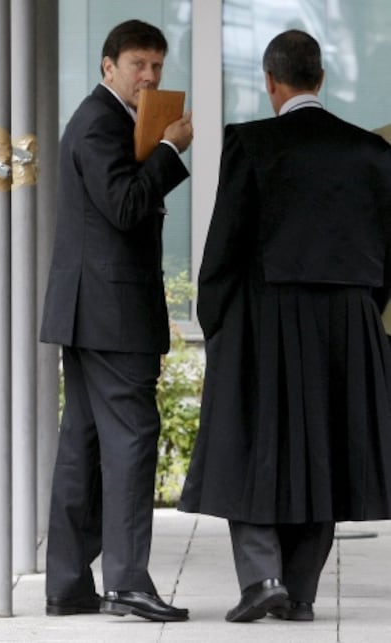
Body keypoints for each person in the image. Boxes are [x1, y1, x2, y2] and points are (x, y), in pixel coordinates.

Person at [179, 29, 391, 624]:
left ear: (272, 82)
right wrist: (363, 311)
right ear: (320, 79)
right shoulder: (373, 153)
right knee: (327, 446)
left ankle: (263, 576)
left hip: (263, 315)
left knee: (244, 440)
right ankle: (298, 593)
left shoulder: (251, 143)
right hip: (347, 318)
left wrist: (214, 319)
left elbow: (225, 242)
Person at [40, 19, 193, 622]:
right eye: (138, 64)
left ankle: (69, 585)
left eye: (157, 64)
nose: (150, 75)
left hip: (89, 314)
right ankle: (127, 581)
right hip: (112, 315)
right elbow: (127, 206)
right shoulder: (101, 122)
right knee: (131, 442)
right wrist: (170, 150)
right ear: (108, 67)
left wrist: (155, 149)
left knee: (81, 446)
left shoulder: (102, 120)